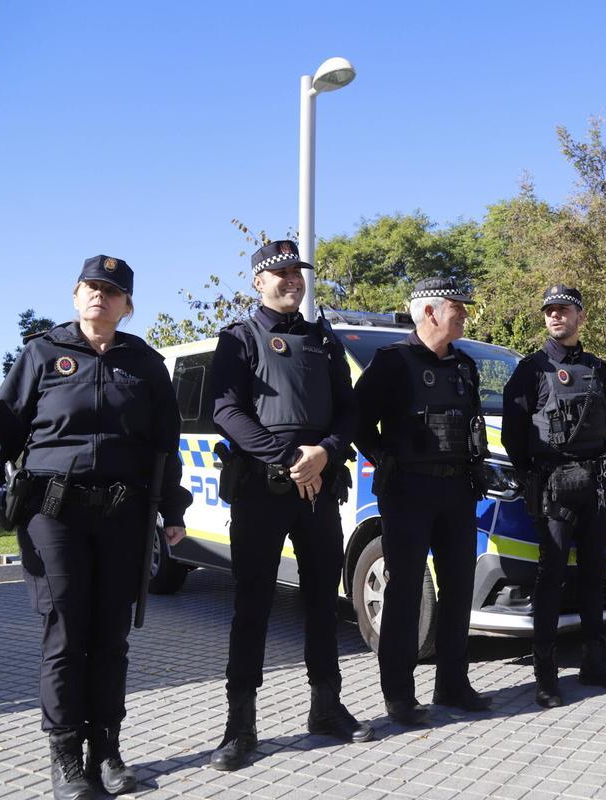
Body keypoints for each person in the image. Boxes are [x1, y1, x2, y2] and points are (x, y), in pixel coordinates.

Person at [0, 256, 191, 800]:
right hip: (52, 515)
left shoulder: (146, 365)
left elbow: (165, 447)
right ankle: (65, 755)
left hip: (124, 516)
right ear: (75, 294)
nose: (98, 297)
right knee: (64, 631)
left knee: (111, 635)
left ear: (127, 305)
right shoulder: (42, 353)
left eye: (111, 291)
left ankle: (106, 749)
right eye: (90, 287)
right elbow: (1, 431)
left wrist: (173, 511)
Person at [208, 240, 370, 772]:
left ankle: (326, 708)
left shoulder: (324, 339)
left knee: (325, 599)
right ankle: (240, 725)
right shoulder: (238, 339)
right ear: (258, 281)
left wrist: (324, 453)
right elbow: (227, 410)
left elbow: (350, 412)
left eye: (297, 272)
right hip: (263, 488)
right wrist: (287, 457)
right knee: (252, 605)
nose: (291, 280)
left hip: (320, 486)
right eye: (279, 273)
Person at [353, 277, 492, 726]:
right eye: (458, 306)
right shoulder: (392, 363)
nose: (465, 313)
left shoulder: (465, 366)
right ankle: (399, 695)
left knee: (457, 591)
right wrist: (384, 458)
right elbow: (356, 422)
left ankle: (453, 683)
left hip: (457, 491)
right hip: (408, 492)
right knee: (405, 593)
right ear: (430, 312)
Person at [502, 283, 606, 708]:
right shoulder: (531, 369)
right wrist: (533, 478)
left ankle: (596, 661)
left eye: (563, 309)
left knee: (595, 576)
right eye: (549, 311)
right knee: (551, 579)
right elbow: (512, 434)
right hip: (554, 488)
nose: (555, 316)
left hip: (593, 486)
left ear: (581, 316)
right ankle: (546, 674)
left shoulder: (598, 368)